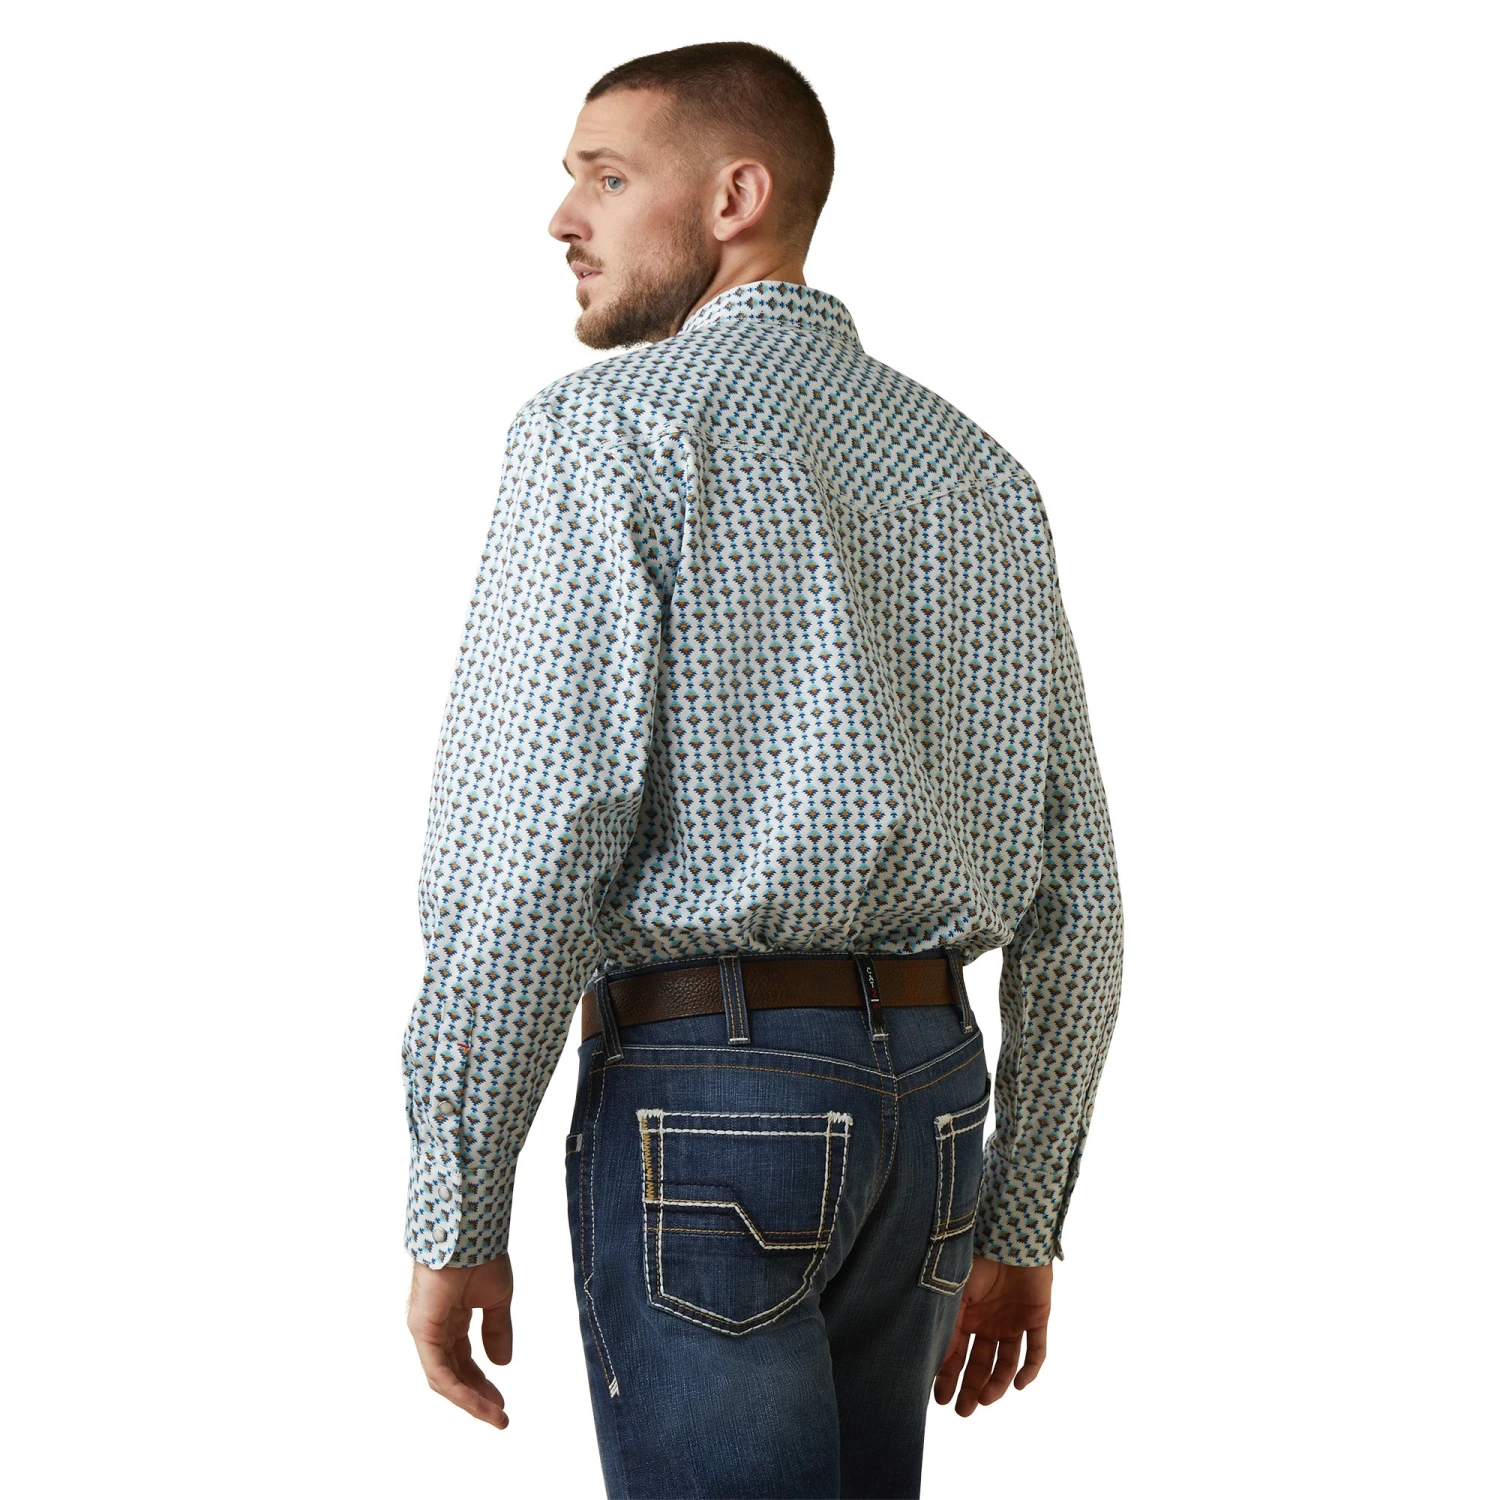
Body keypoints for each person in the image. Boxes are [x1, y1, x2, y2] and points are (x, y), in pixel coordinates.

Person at [402, 40, 1124, 1500]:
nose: (563, 219)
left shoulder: (608, 431)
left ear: (736, 197)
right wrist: (1022, 1214)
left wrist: (454, 1201)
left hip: (710, 1101)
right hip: (932, 1108)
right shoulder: (977, 472)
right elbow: (1080, 901)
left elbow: (530, 842)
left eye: (609, 178)